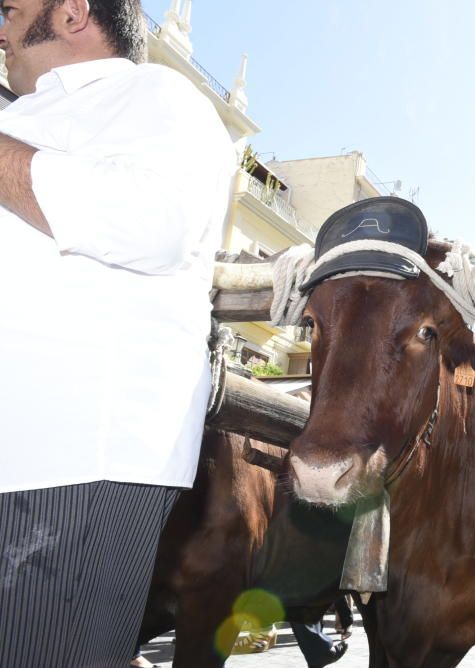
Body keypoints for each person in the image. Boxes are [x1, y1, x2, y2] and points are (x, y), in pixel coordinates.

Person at [0, 2, 234, 666]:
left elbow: (155, 222)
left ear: (73, 11)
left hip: (60, 462)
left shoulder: (157, 95)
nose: (0, 28)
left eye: (11, 8)